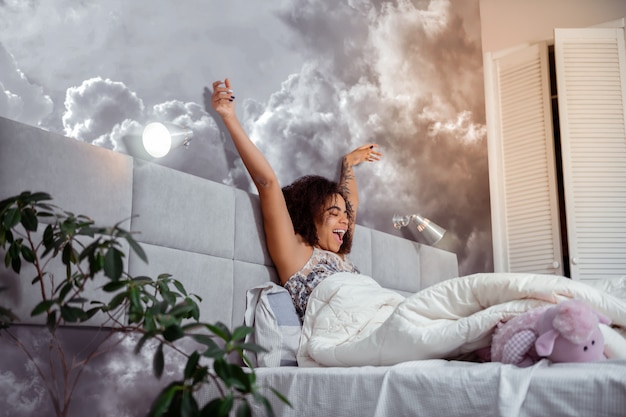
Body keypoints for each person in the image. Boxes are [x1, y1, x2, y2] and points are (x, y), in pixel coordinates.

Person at [212, 78, 382, 319]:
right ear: (309, 215)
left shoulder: (339, 255)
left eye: (345, 215)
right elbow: (267, 183)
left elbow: (351, 200)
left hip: (376, 313)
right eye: (334, 214)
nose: (345, 221)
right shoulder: (296, 254)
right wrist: (229, 117)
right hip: (348, 327)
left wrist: (348, 164)